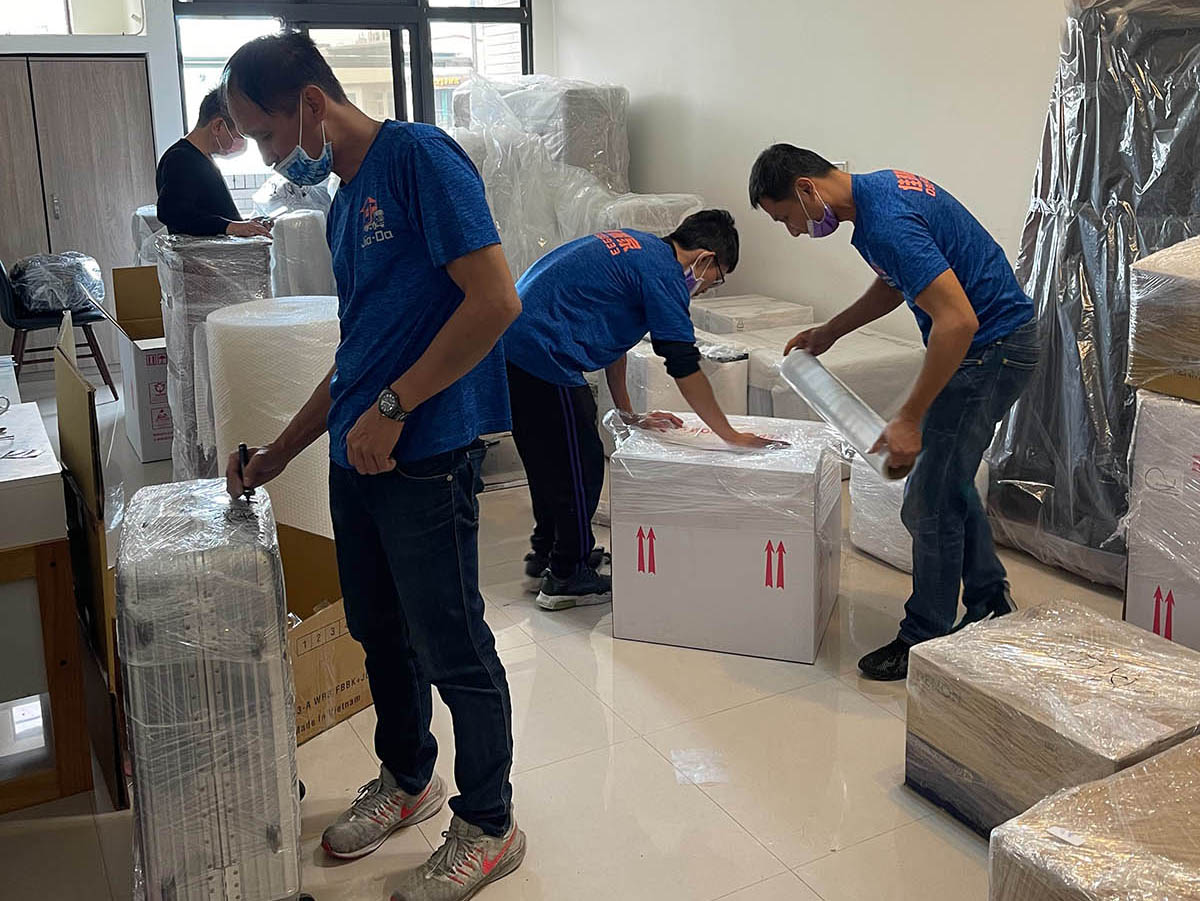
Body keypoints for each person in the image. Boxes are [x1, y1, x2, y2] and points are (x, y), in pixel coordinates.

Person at [222, 32, 525, 901]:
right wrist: (281, 451)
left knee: (452, 641)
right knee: (377, 630)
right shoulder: (344, 203)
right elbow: (359, 354)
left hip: (425, 453)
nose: (275, 158)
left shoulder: (418, 158)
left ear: (311, 104)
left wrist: (397, 408)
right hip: (363, 456)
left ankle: (491, 823)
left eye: (270, 136)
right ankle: (407, 778)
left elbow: (496, 300)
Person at [748, 144, 1039, 681]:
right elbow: (895, 281)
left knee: (926, 500)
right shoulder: (880, 194)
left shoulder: (885, 221)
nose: (793, 231)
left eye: (786, 217)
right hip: (997, 343)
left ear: (807, 189)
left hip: (991, 349)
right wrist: (830, 332)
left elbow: (957, 323)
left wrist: (908, 417)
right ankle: (989, 601)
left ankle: (923, 635)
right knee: (949, 482)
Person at [504, 211, 776, 610]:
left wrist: (629, 413)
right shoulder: (663, 273)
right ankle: (567, 574)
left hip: (514, 344)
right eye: (714, 280)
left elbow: (614, 339)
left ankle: (548, 554)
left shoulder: (639, 249)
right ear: (704, 258)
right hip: (540, 350)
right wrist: (729, 434)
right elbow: (682, 361)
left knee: (553, 462)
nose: (703, 290)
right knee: (581, 465)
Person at [155, 88, 271, 238]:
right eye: (240, 135)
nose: (242, 142)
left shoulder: (201, 158)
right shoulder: (181, 159)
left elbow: (207, 215)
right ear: (217, 126)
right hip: (202, 260)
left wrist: (244, 224)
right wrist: (231, 227)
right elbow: (172, 213)